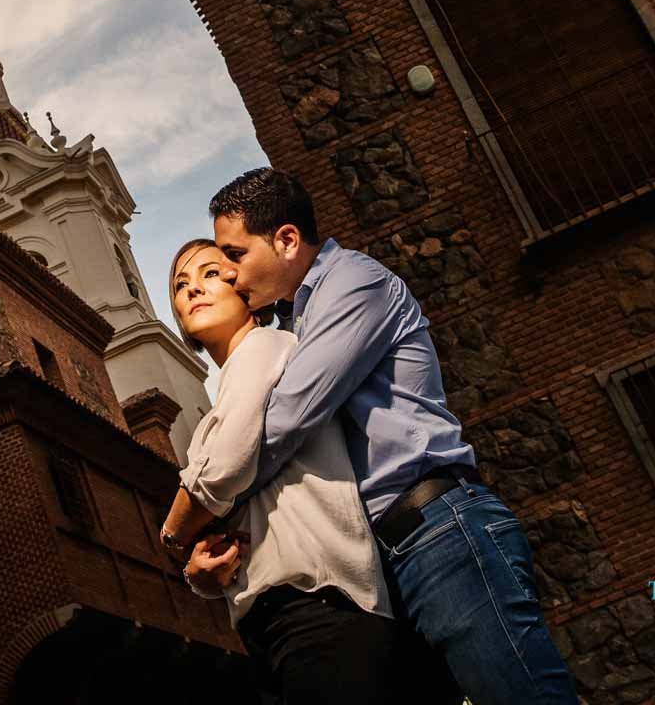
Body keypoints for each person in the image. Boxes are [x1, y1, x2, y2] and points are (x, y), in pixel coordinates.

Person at [187, 168, 579, 705]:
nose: (228, 275)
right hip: (396, 554)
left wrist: (191, 516)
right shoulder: (299, 321)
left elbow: (283, 424)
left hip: (439, 530)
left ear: (285, 240)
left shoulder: (353, 285)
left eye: (234, 255)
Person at [158, 237, 461, 705]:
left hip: (320, 608)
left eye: (211, 273)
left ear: (246, 293)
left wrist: (173, 536)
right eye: (181, 285)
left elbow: (224, 467)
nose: (194, 288)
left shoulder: (265, 347)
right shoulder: (237, 384)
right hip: (283, 620)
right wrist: (201, 574)